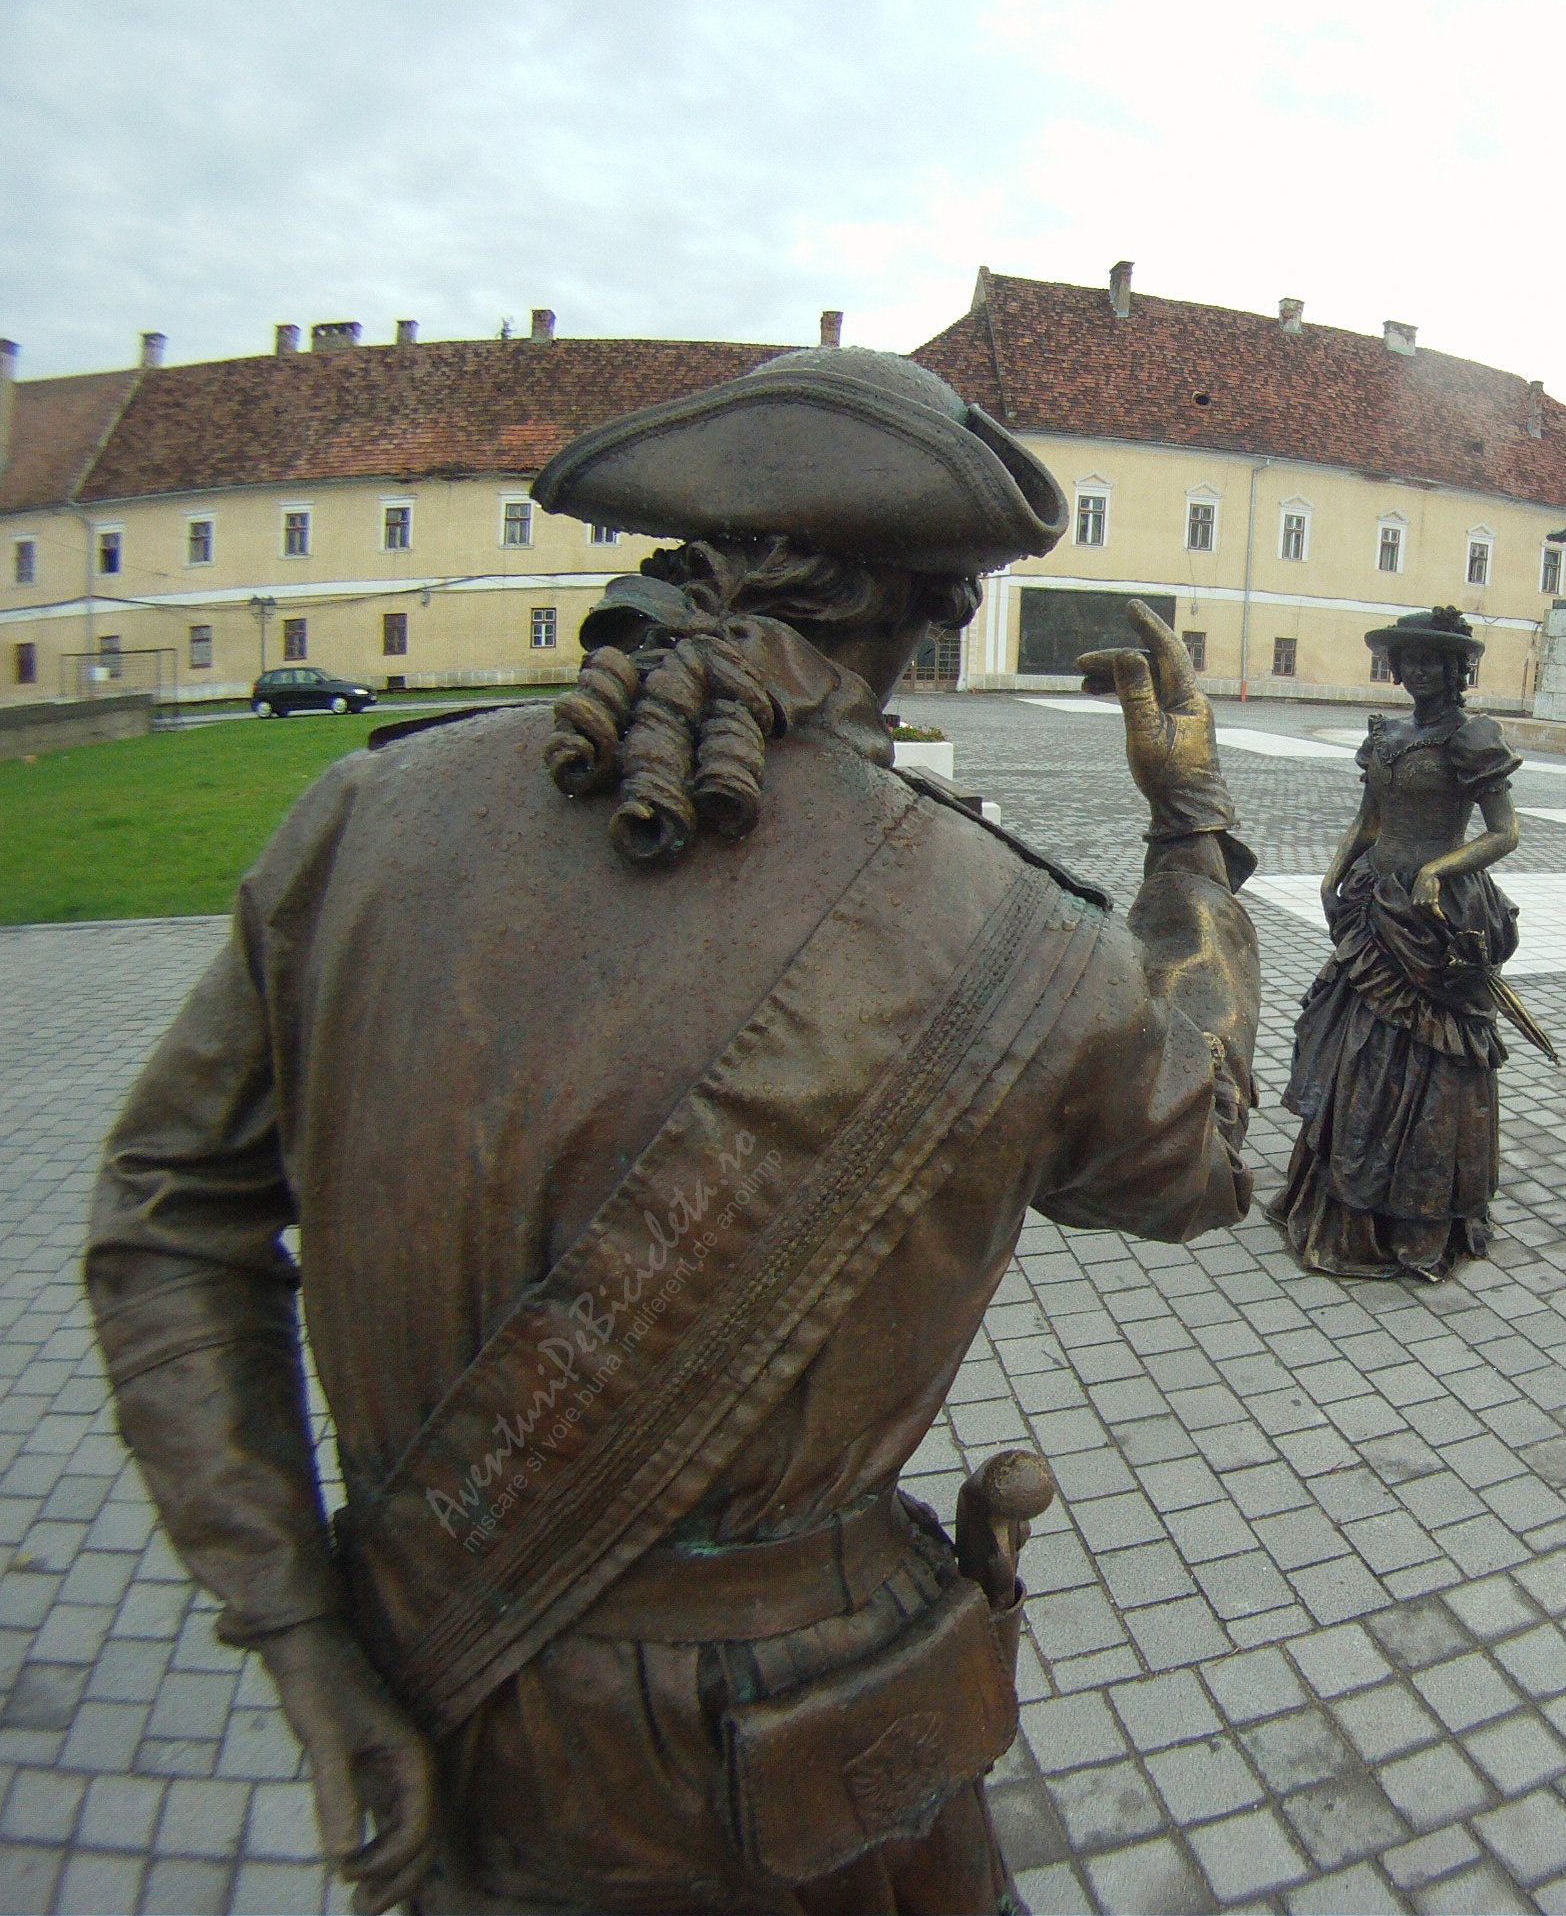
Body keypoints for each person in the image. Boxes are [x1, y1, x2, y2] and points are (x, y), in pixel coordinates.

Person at [84, 348, 1259, 1914]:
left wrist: (298, 1633)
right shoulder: (1025, 948)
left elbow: (164, 1220)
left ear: (683, 566)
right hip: (805, 1766)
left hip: (438, 1691)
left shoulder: (361, 825)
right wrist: (1190, 833)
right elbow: (1200, 1160)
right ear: (936, 611)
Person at [1270, 608, 1524, 1283]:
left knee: (1429, 1049)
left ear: (1456, 669)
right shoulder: (1388, 733)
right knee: (1354, 1041)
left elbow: (1505, 832)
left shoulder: (1472, 738)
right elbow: (1370, 819)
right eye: (1408, 658)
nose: (1417, 670)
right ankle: (1344, 1197)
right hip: (1374, 902)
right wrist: (1331, 874)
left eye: (1432, 660)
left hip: (1434, 916)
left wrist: (1439, 873)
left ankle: (1417, 1210)